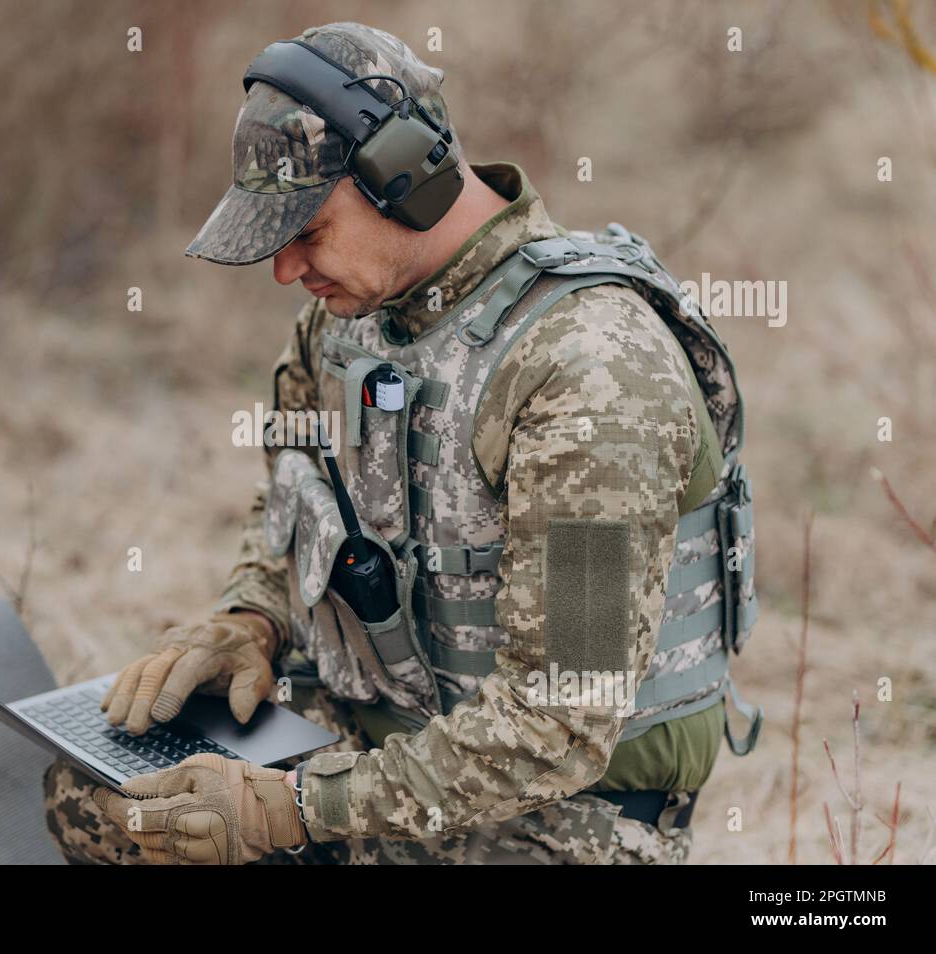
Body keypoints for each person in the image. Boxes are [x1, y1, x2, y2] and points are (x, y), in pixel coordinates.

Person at [44, 20, 759, 866]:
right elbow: (292, 504)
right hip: (374, 750)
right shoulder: (344, 325)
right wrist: (251, 620)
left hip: (563, 812)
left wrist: (290, 810)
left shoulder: (591, 371)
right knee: (99, 800)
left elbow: (560, 725)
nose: (285, 269)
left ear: (405, 178)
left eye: (307, 230)